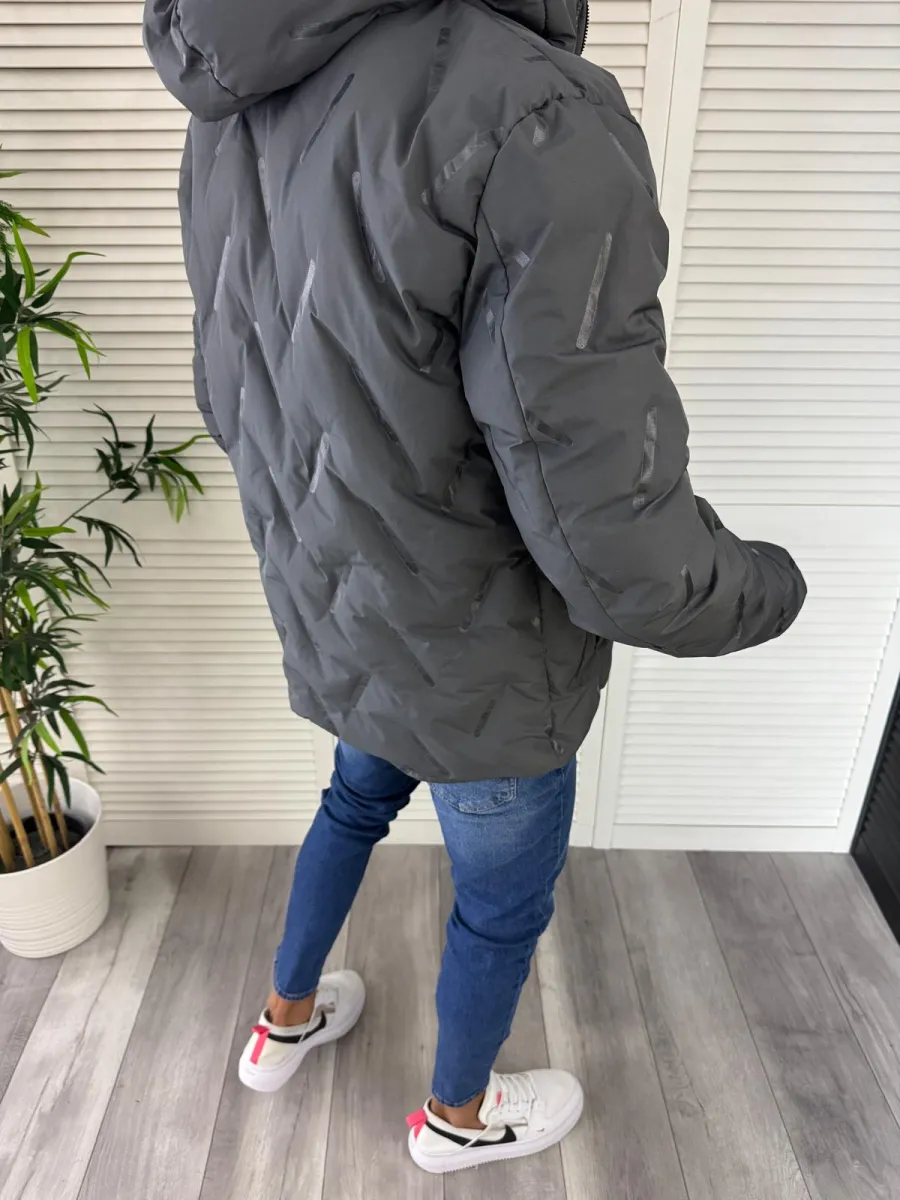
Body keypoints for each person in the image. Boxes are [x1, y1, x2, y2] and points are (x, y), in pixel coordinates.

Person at [144, 0, 807, 1174]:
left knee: (352, 804)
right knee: (497, 906)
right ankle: (456, 1121)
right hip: (489, 658)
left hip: (344, 607)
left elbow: (232, 393)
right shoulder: (530, 107)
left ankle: (283, 1024)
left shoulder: (230, 102)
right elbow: (612, 541)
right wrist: (762, 589)